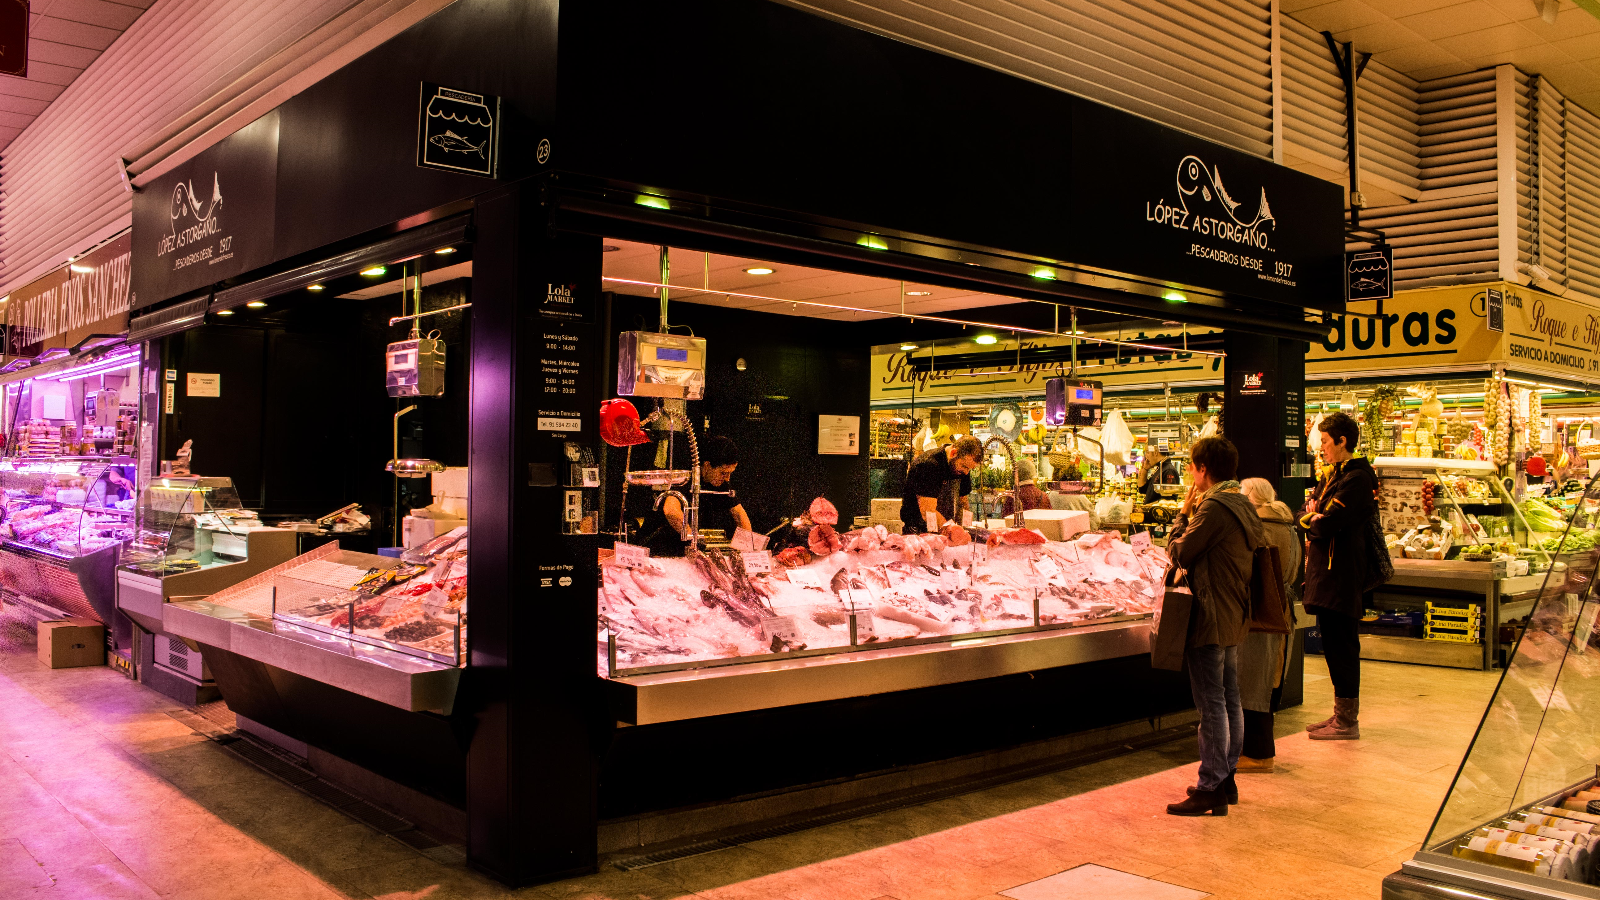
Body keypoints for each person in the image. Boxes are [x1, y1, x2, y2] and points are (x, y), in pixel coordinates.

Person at [1164, 436, 1262, 816]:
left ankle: (1211, 786)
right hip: (1233, 611)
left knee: (1212, 704)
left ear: (1203, 469)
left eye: (1191, 465)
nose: (1190, 471)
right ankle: (1226, 778)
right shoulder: (1242, 502)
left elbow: (1180, 551)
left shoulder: (1213, 508)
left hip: (1209, 614)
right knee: (1228, 698)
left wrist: (1183, 515)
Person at [1301, 411, 1385, 741]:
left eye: (1324, 442)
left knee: (1344, 647)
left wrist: (1313, 518)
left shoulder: (1358, 479)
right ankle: (1340, 714)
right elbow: (1309, 509)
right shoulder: (1335, 475)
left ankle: (1348, 722)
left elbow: (1326, 522)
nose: (1321, 448)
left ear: (1342, 441)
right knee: (1333, 647)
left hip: (1344, 574)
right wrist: (1312, 515)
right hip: (1328, 574)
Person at [1236, 477, 1302, 773]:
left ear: (1251, 499)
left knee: (1253, 680)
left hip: (1262, 610)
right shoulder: (1289, 525)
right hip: (1283, 609)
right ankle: (1259, 750)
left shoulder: (1259, 527)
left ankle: (1258, 753)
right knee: (1269, 680)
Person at [635, 435, 751, 556]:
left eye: (730, 473)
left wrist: (747, 551)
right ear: (707, 466)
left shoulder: (720, 482)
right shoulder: (685, 477)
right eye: (723, 473)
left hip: (681, 551)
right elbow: (671, 511)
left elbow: (739, 513)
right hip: (654, 548)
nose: (727, 478)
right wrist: (693, 541)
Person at [901, 435, 982, 535]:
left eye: (970, 469)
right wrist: (954, 532)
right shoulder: (928, 465)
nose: (966, 472)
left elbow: (963, 503)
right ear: (953, 453)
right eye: (964, 467)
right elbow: (928, 512)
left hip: (945, 530)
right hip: (918, 533)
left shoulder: (963, 468)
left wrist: (966, 531)